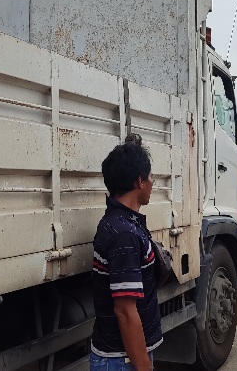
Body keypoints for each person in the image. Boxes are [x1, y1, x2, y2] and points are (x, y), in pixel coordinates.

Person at [90, 133, 160, 371]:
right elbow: (125, 311)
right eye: (151, 177)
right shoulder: (124, 234)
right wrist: (144, 367)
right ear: (140, 181)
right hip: (122, 361)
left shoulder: (120, 222)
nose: (153, 183)